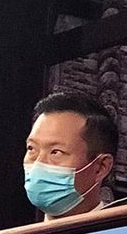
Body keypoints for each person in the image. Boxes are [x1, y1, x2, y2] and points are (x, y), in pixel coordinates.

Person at [23, 91, 117, 220]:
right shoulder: (9, 232)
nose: (38, 164)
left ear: (101, 167)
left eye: (56, 152)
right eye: (31, 148)